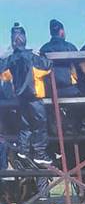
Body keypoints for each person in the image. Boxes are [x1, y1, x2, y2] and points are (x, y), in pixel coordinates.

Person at [2, 22, 51, 165]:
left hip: (20, 96)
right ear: (24, 38)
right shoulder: (32, 57)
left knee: (25, 124)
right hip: (35, 95)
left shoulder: (10, 59)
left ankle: (23, 150)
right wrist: (43, 57)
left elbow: (4, 75)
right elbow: (47, 67)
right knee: (40, 124)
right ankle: (40, 153)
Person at [39, 19, 79, 97]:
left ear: (51, 33)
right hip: (69, 89)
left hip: (51, 91)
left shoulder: (44, 49)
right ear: (61, 32)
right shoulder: (71, 47)